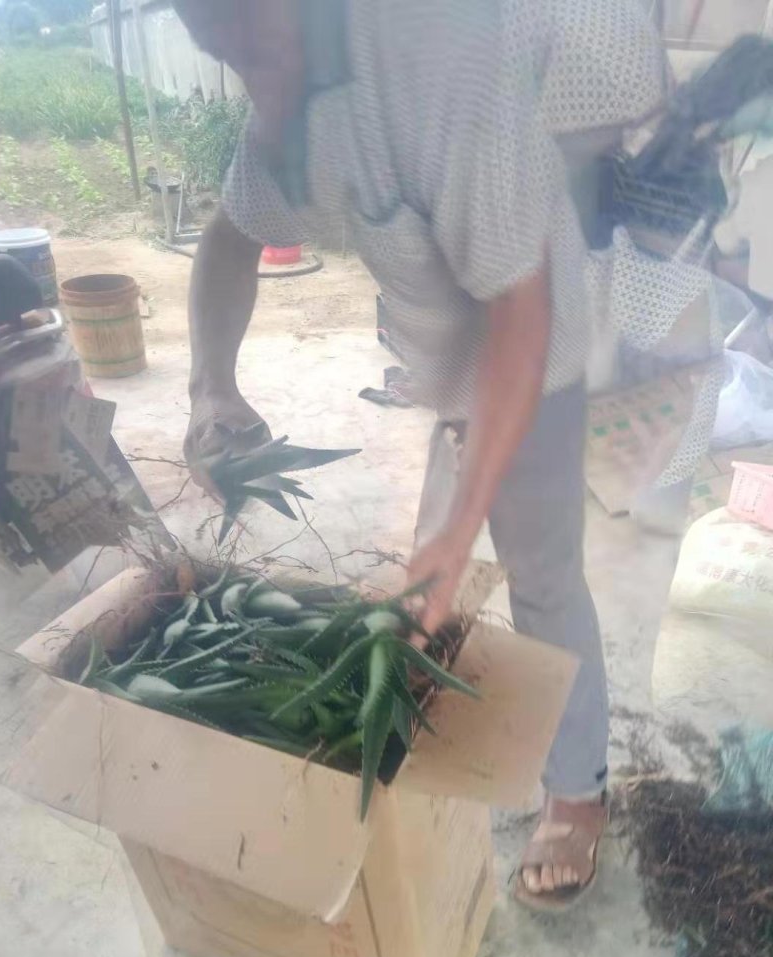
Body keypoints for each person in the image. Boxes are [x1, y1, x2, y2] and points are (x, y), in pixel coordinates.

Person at [173, 0, 664, 909]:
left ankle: (578, 794)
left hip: (531, 347)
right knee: (426, 578)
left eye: (255, 40)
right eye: (222, 51)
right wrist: (209, 385)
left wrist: (467, 517)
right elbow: (229, 239)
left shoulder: (437, 53)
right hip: (442, 363)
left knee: (542, 572)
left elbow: (519, 318)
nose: (254, 82)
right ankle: (423, 715)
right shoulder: (281, 94)